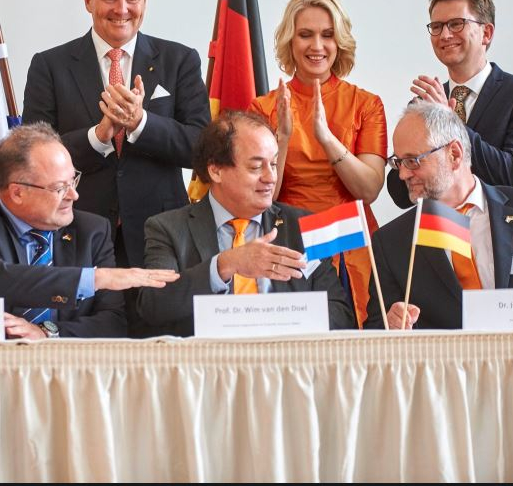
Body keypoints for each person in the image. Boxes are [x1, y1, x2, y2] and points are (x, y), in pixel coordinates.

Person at [22, 0, 210, 336]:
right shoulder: (49, 65)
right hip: (77, 234)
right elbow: (31, 155)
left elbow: (201, 148)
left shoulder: (180, 60)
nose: (122, 9)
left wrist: (141, 122)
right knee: (83, 346)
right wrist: (99, 135)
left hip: (160, 238)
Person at [365, 101, 513, 330]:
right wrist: (392, 323)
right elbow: (376, 327)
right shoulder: (391, 242)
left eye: (413, 161)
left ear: (454, 154)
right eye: (398, 162)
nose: (403, 174)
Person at [0, 123, 179, 339]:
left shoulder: (92, 231)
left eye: (73, 181)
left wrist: (47, 334)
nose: (74, 195)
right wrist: (93, 279)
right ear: (17, 192)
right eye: (59, 188)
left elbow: (112, 323)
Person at [137, 111, 355, 337]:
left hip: (285, 364)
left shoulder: (303, 226)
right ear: (216, 170)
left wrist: (281, 323)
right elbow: (154, 306)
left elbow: (340, 316)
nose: (271, 177)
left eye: (273, 163)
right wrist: (223, 266)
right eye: (256, 167)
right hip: (207, 367)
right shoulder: (167, 228)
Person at [249, 0, 386, 327]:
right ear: (290, 42)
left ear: (339, 42)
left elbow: (369, 189)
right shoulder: (263, 107)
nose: (317, 46)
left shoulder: (366, 104)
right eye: (305, 35)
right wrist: (281, 136)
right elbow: (264, 197)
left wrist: (326, 138)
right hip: (291, 241)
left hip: (352, 244)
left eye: (327, 35)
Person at [386, 0, 513, 208]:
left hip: (501, 232)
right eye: (436, 26)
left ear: (486, 33)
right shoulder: (425, 102)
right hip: (437, 232)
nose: (444, 35)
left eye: (456, 24)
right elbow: (400, 194)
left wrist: (449, 120)